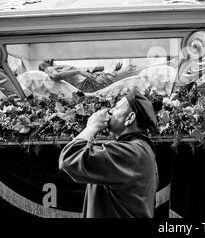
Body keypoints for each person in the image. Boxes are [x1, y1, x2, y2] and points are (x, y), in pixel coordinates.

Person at [59, 87, 159, 218]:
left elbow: (69, 158)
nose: (109, 112)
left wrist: (92, 127)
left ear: (130, 118)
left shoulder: (132, 152)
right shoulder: (139, 149)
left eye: (116, 108)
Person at [39, 59, 123, 93]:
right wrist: (78, 71)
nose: (46, 60)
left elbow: (84, 71)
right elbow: (55, 76)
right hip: (86, 84)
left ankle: (114, 72)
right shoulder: (48, 69)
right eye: (44, 62)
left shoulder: (57, 67)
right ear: (43, 66)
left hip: (89, 82)